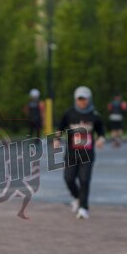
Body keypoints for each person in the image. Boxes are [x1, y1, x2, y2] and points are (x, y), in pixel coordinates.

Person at [54, 86, 105, 219]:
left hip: (87, 154)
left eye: (84, 99)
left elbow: (101, 132)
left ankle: (83, 208)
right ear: (75, 100)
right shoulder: (69, 113)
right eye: (80, 99)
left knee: (84, 179)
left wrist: (101, 139)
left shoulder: (95, 115)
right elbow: (60, 128)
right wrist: (56, 139)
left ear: (89, 99)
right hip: (71, 153)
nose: (82, 102)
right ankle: (77, 198)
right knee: (69, 178)